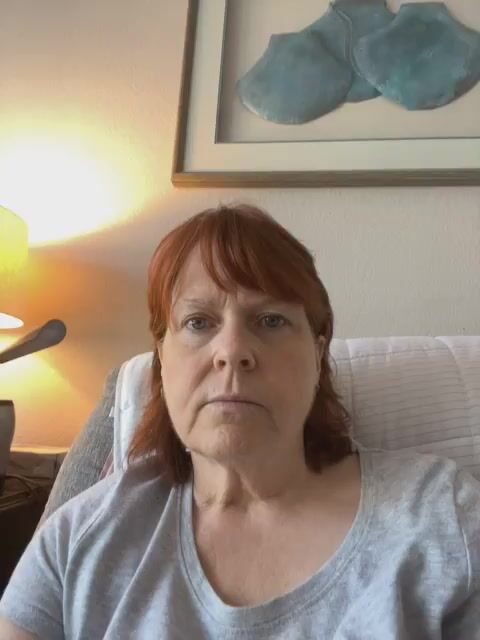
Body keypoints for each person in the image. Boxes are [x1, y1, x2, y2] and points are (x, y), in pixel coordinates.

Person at [0, 204, 479, 639]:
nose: (232, 351)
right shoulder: (77, 540)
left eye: (270, 321)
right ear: (162, 359)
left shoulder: (442, 517)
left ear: (317, 355)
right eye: (198, 322)